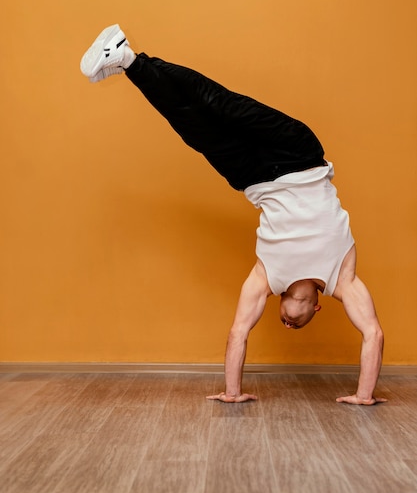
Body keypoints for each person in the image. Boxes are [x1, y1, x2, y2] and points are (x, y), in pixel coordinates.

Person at [80, 24, 386, 405]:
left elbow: (239, 330)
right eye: (296, 321)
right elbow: (373, 333)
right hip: (300, 154)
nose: (288, 324)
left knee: (191, 125)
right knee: (218, 102)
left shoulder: (266, 277)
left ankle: (126, 60)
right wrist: (364, 395)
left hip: (252, 177)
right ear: (316, 307)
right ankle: (130, 54)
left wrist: (233, 392)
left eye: (283, 321)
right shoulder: (343, 277)